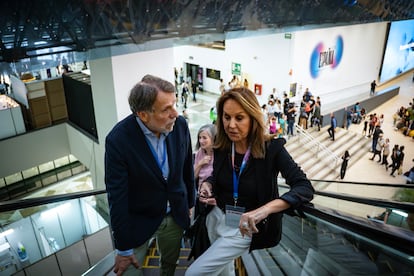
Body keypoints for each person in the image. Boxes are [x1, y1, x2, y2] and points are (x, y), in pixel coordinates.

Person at [185, 87, 314, 275]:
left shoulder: (271, 149)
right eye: (226, 117)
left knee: (193, 273)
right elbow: (219, 175)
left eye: (239, 118)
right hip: (216, 218)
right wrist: (208, 184)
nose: (231, 125)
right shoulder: (222, 145)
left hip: (245, 229)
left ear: (252, 118)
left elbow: (304, 187)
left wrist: (264, 210)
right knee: (223, 270)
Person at [104, 75, 195, 276]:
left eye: (174, 104)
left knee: (170, 265)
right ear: (143, 115)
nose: (175, 113)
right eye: (166, 109)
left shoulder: (180, 126)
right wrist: (123, 247)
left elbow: (187, 167)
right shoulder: (118, 141)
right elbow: (116, 196)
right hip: (139, 221)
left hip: (175, 217)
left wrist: (189, 203)